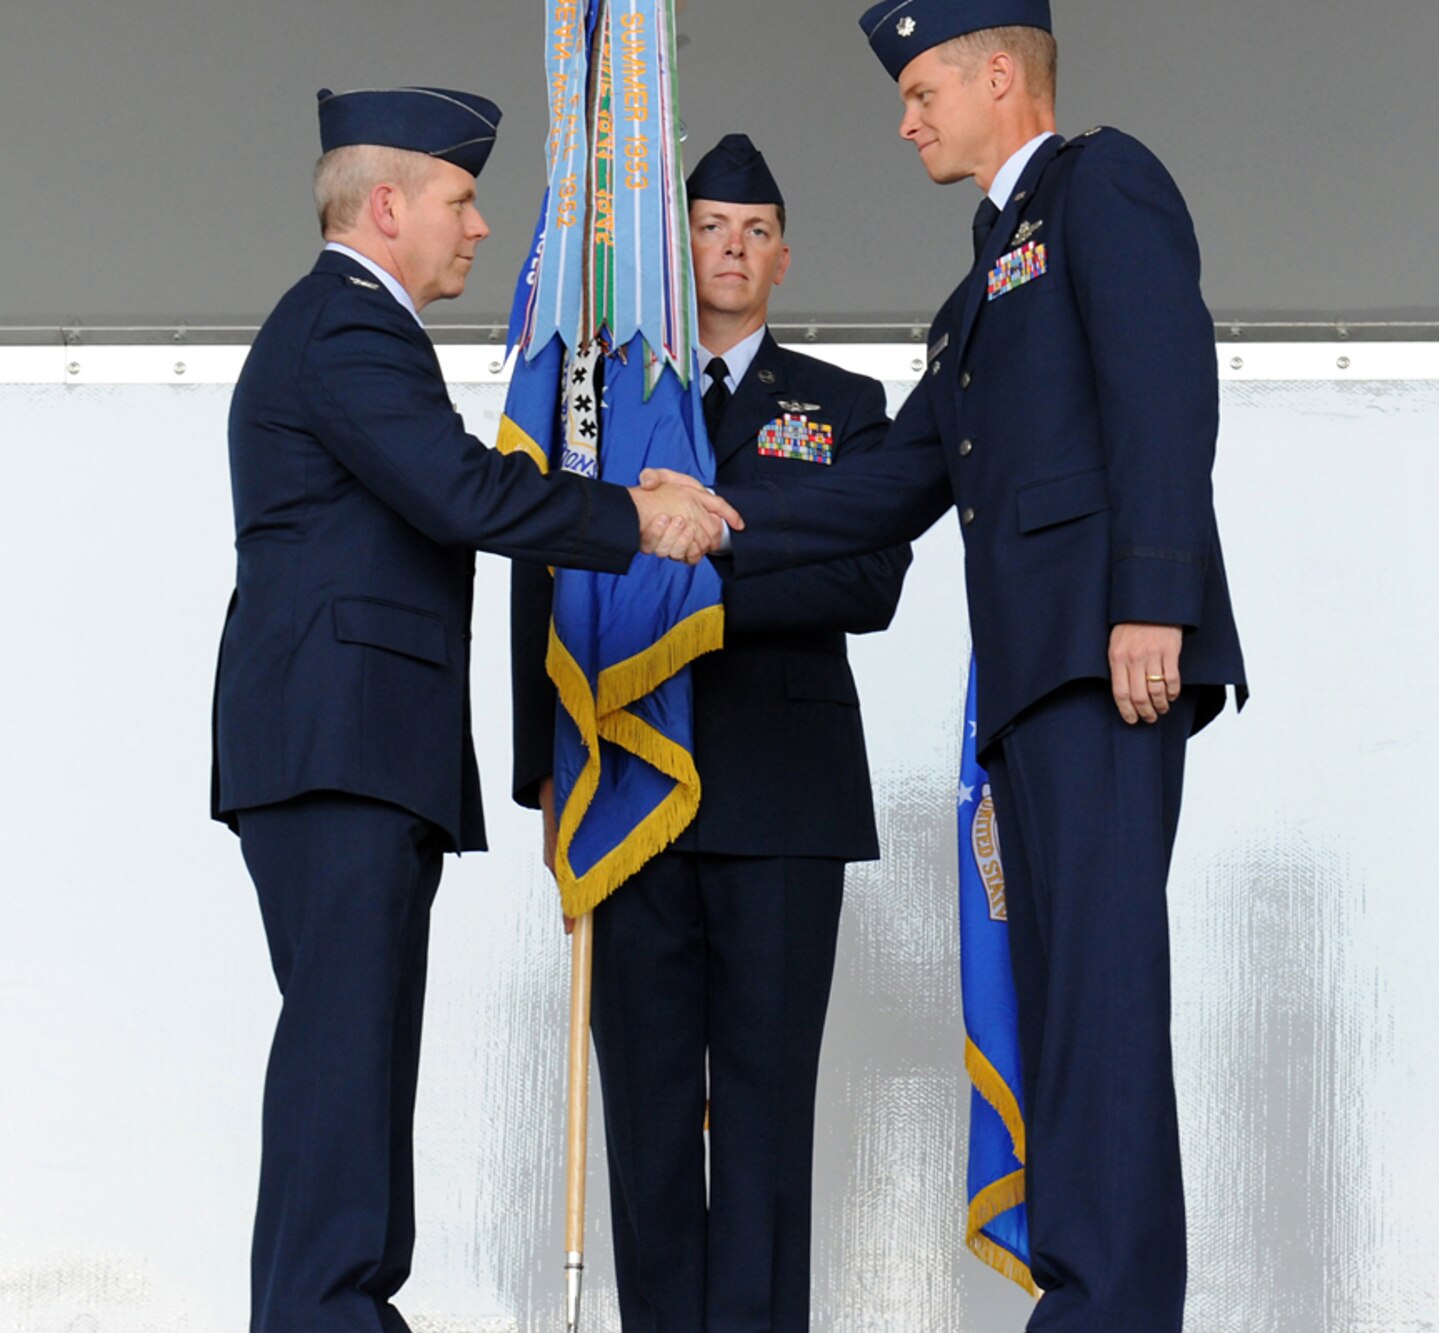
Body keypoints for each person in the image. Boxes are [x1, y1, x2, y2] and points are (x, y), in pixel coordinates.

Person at [649, 5, 1247, 1326]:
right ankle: (1088, 1292)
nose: (907, 119)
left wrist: (1154, 595)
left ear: (996, 75)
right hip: (1038, 689)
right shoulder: (984, 278)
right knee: (1064, 1008)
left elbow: (1165, 385)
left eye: (922, 90)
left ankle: (1107, 1304)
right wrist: (707, 518)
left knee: (1098, 1003)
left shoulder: (1105, 184)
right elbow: (894, 478)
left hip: (1106, 663)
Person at [211, 85, 729, 1333]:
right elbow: (457, 493)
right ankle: (327, 1310)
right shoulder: (344, 326)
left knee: (358, 1056)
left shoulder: (344, 328)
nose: (482, 227)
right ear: (386, 207)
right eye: (460, 198)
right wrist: (632, 517)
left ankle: (331, 1305)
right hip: (338, 752)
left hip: (352, 752)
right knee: (346, 1059)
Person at [510, 133, 911, 1332]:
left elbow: (869, 579)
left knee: (760, 1115)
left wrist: (695, 577)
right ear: (669, 254)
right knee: (641, 1113)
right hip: (623, 784)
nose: (729, 248)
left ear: (783, 257)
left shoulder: (842, 408)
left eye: (752, 230)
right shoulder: (606, 407)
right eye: (705, 227)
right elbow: (545, 577)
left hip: (781, 803)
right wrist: (545, 772)